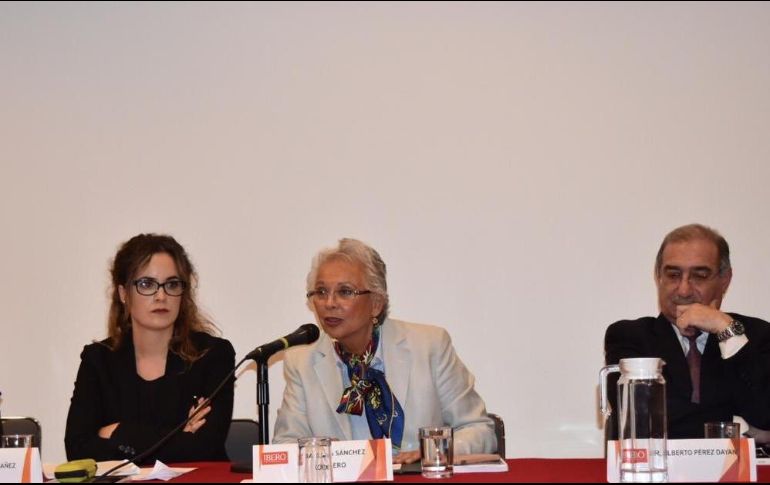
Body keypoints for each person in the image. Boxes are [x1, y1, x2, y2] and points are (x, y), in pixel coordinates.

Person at [272, 238, 496, 464]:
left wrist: (432, 451)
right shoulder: (302, 363)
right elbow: (284, 446)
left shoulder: (429, 346)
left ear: (376, 303)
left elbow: (479, 430)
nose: (329, 303)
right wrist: (328, 456)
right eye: (321, 292)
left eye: (345, 292)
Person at [65, 234, 235, 462]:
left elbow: (204, 446)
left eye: (172, 284)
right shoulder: (98, 360)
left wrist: (117, 432)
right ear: (123, 294)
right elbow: (77, 449)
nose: (161, 296)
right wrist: (178, 438)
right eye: (146, 284)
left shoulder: (213, 355)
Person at [605, 224, 770, 440]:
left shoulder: (756, 336)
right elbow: (640, 422)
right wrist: (739, 426)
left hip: (736, 474)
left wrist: (726, 329)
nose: (683, 290)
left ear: (724, 280)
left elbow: (766, 414)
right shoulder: (629, 336)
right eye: (673, 275)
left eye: (699, 276)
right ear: (658, 277)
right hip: (657, 472)